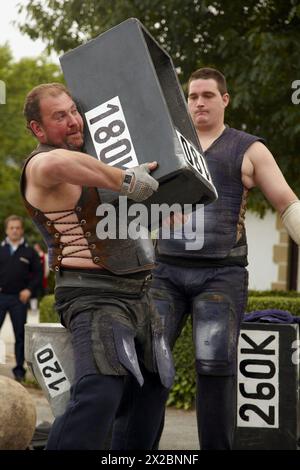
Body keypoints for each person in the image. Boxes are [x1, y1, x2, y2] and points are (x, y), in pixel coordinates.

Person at [152, 67, 300, 449]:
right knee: (148, 361)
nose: (199, 102)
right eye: (193, 96)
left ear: (225, 99)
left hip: (221, 274)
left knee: (214, 367)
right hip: (165, 271)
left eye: (207, 95)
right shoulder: (167, 144)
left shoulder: (248, 148)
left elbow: (287, 203)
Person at [21, 83, 174, 450]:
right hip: (92, 295)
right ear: (38, 129)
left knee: (153, 388)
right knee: (102, 390)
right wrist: (125, 179)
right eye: (60, 116)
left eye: (74, 111)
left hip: (140, 294)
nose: (74, 121)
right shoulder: (42, 164)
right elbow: (60, 163)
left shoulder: (94, 158)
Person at [0, 215, 42, 381]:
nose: (15, 230)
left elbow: (38, 275)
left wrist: (29, 290)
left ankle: (19, 371)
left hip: (20, 299)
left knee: (20, 336)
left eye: (18, 227)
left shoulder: (29, 252)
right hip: (1, 297)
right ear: (6, 230)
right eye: (12, 228)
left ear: (22, 230)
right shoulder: (1, 250)